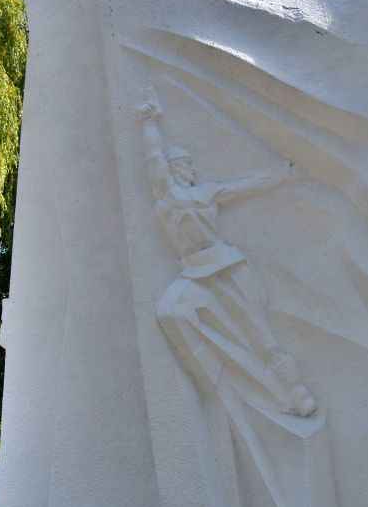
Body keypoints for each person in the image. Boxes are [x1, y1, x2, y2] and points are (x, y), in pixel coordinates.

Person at [135, 89, 316, 421]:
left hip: (224, 264)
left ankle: (296, 393)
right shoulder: (166, 195)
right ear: (176, 169)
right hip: (194, 272)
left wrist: (281, 177)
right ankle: (223, 380)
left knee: (260, 333)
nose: (190, 169)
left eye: (189, 164)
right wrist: (149, 123)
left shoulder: (206, 193)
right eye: (185, 165)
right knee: (170, 311)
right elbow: (154, 162)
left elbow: (245, 186)